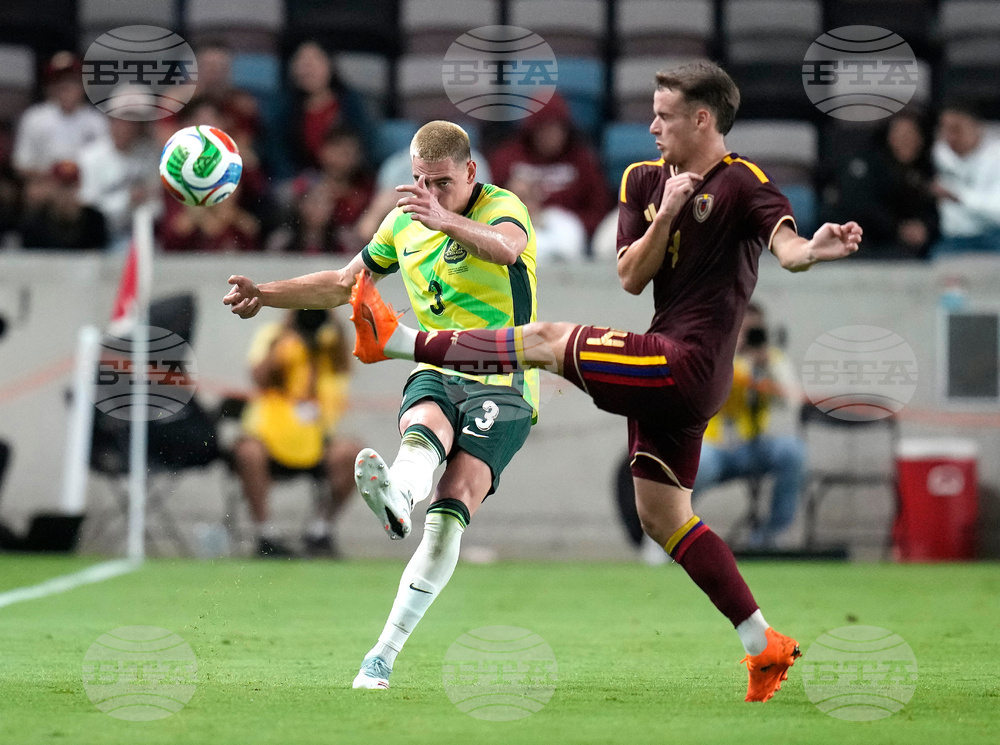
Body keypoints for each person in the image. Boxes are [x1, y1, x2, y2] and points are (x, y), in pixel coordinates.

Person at [348, 61, 862, 703]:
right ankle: (764, 645)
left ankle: (401, 343)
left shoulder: (744, 184)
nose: (650, 126)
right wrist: (666, 215)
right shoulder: (644, 180)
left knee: (542, 339)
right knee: (664, 517)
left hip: (690, 362)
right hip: (666, 369)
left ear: (702, 119)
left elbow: (790, 251)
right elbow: (629, 276)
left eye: (664, 115)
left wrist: (821, 245)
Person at [223, 121, 539, 689]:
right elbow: (346, 284)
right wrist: (264, 294)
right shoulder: (402, 223)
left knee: (449, 515)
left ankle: (384, 653)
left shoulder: (500, 207)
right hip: (438, 366)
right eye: (420, 181)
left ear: (470, 173)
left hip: (504, 382)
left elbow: (507, 248)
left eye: (441, 182)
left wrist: (446, 220)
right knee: (422, 430)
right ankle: (397, 495)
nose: (429, 193)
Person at [235, 309, 359, 557]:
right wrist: (287, 332)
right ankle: (265, 534)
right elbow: (259, 377)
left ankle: (319, 530)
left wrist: (334, 321)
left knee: (354, 455)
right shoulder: (274, 336)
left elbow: (344, 366)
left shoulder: (329, 342)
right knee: (248, 452)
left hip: (316, 437)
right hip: (268, 436)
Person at [694, 303, 806, 548]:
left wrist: (767, 367)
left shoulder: (772, 360)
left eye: (755, 330)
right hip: (714, 447)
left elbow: (793, 402)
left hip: (754, 447)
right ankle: (669, 532)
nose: (748, 336)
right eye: (742, 329)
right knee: (694, 465)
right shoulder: (713, 353)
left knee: (793, 452)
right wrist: (735, 354)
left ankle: (771, 535)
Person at [488, 93, 611, 238]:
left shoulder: (582, 160)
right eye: (544, 128)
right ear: (532, 130)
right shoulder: (507, 158)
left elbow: (598, 209)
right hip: (519, 229)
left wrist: (574, 225)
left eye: (556, 128)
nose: (550, 135)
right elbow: (489, 203)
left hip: (569, 232)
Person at [822, 111, 938, 259]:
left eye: (913, 136)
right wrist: (898, 228)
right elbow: (858, 205)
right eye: (900, 135)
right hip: (859, 243)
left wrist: (924, 227)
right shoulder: (865, 165)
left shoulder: (924, 170)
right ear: (888, 136)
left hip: (902, 247)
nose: (906, 141)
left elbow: (931, 211)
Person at [931, 100, 1000, 255]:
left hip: (994, 237)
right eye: (945, 129)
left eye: (956, 129)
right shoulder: (936, 155)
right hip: (953, 241)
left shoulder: (997, 156)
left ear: (977, 127)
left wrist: (957, 196)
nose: (950, 137)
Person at [20, 160, 107, 249]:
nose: (65, 192)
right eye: (61, 186)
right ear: (51, 187)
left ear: (78, 186)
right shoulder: (35, 222)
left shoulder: (94, 220)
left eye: (70, 186)